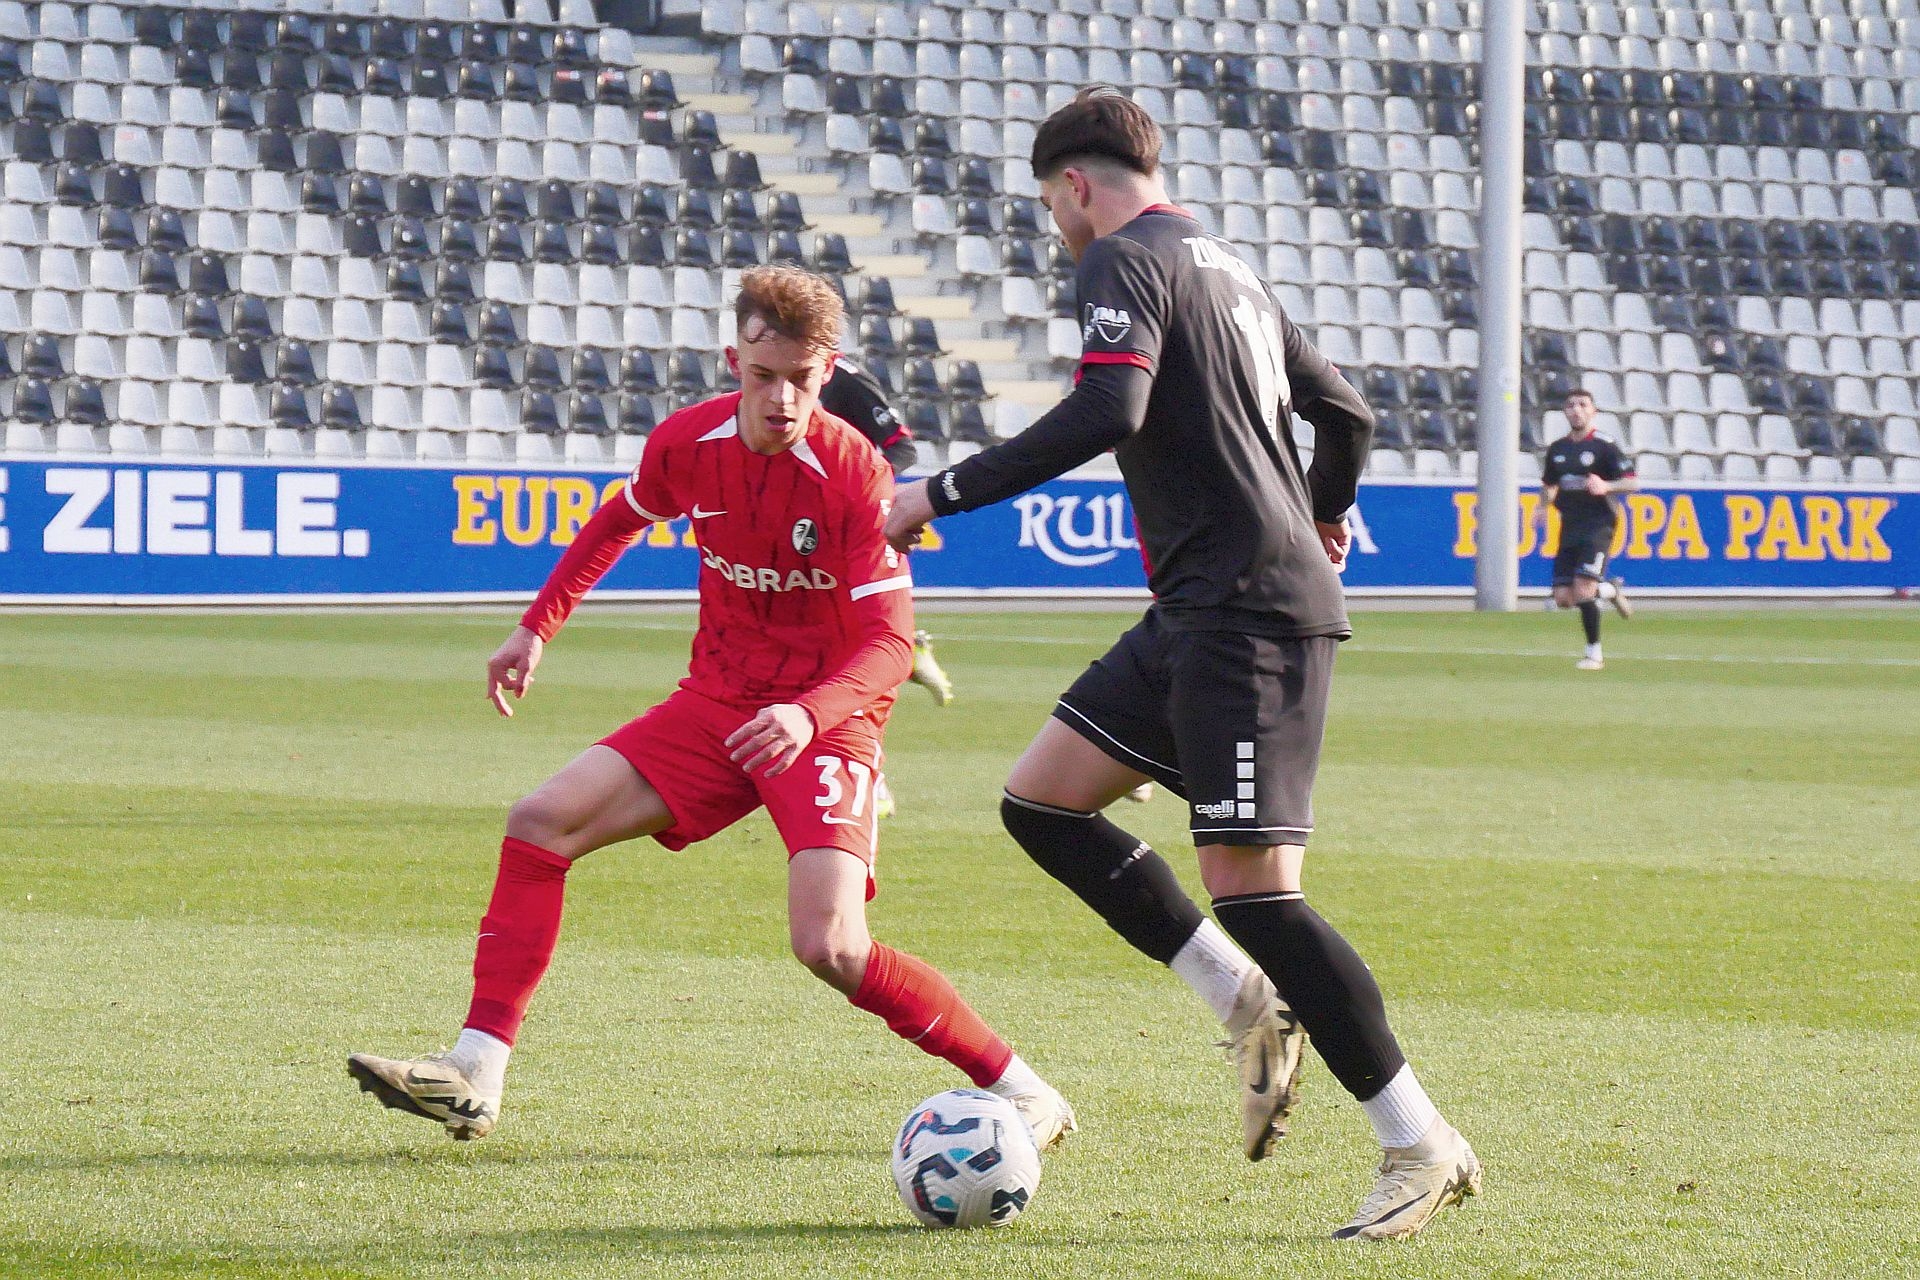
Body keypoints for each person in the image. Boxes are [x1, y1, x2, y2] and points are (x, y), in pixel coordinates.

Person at [885, 89, 1478, 1242]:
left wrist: (937, 492)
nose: (1057, 226)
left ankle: (1419, 1140)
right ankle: (1244, 997)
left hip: (1246, 617)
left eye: (1050, 205)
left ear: (1074, 186)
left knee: (1257, 891)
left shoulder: (1122, 258)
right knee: (1042, 801)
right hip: (1202, 610)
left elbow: (1112, 403)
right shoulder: (1233, 269)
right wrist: (1326, 508)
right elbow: (1347, 412)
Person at [348, 266, 1074, 1153]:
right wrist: (537, 627)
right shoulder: (687, 444)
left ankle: (1023, 1089)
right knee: (540, 823)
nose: (782, 400)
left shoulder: (855, 472)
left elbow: (890, 645)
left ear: (829, 370)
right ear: (735, 362)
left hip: (826, 721)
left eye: (801, 380)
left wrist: (808, 716)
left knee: (832, 947)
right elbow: (617, 519)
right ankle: (475, 1070)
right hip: (719, 705)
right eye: (763, 376)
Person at [819, 355, 956, 708]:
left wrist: (864, 485)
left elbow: (902, 448)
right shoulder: (777, 370)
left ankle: (905, 651)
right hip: (801, 505)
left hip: (844, 511)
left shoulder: (847, 379)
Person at [1537, 389, 1635, 670]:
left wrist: (1607, 486)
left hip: (1598, 524)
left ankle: (1594, 654)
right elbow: (1549, 484)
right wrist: (1542, 507)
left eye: (1582, 404)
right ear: (1565, 412)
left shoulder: (1605, 446)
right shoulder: (1558, 449)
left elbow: (1632, 483)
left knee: (1583, 590)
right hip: (1570, 526)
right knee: (1563, 598)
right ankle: (1610, 590)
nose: (1576, 409)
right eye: (1570, 405)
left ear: (1593, 411)